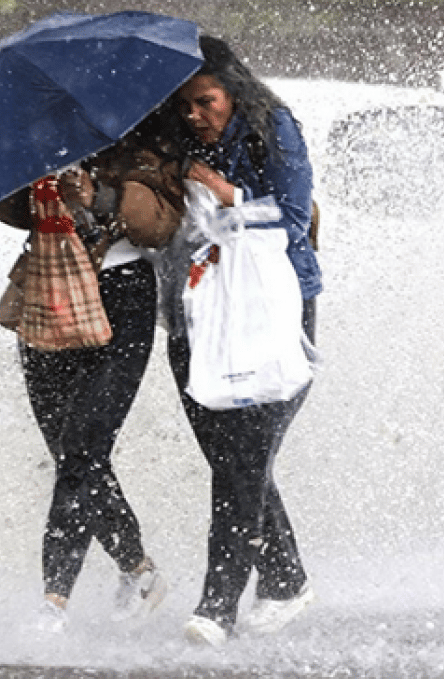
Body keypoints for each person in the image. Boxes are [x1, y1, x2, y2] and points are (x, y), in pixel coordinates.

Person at [158, 35, 323, 647]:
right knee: (231, 460)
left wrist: (227, 194)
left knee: (244, 459)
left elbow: (294, 211)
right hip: (197, 314)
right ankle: (285, 580)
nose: (196, 117)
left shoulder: (272, 127)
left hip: (272, 309)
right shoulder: (172, 146)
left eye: (206, 102)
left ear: (233, 90)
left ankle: (216, 607)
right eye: (184, 108)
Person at [0, 113, 186, 633]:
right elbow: (5, 209)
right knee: (70, 454)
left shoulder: (146, 136)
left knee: (83, 449)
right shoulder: (36, 134)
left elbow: (161, 224)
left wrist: (98, 195)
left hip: (122, 298)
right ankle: (140, 571)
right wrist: (31, 176)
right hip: (48, 290)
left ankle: (53, 601)